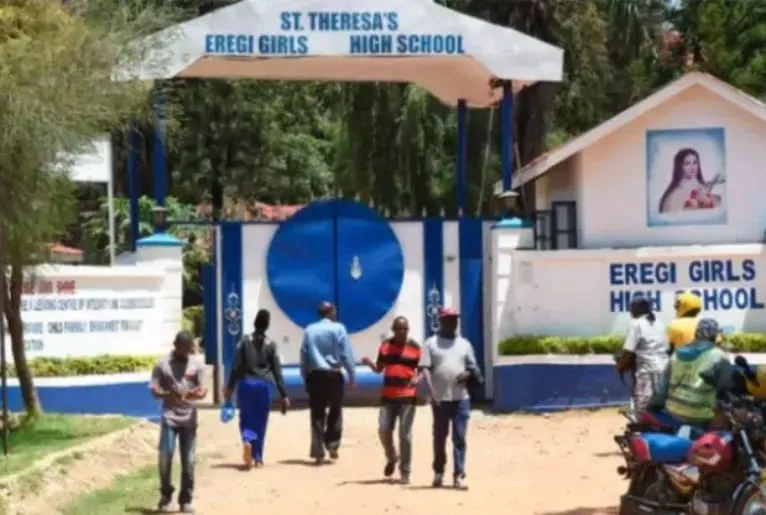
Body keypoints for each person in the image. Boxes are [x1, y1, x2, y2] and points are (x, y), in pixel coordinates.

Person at [420, 307, 483, 490]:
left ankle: (459, 475)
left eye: (455, 319)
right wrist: (432, 394)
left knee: (459, 437)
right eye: (448, 319)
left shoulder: (464, 344)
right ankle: (438, 473)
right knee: (439, 438)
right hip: (440, 400)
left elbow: (474, 368)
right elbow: (425, 370)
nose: (452, 323)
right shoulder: (431, 344)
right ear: (441, 321)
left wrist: (468, 374)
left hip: (461, 399)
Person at [150, 330, 207, 514]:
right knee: (165, 457)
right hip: (169, 417)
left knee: (189, 460)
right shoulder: (162, 365)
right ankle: (166, 496)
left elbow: (203, 390)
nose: (186, 352)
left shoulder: (197, 365)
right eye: (183, 348)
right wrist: (168, 394)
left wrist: (196, 394)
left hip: (189, 419)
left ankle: (186, 500)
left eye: (189, 349)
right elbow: (154, 390)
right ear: (175, 345)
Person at [224, 309, 290, 469]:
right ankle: (258, 457)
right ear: (267, 325)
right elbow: (277, 372)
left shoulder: (244, 341)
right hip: (263, 386)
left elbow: (235, 366)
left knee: (246, 418)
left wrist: (230, 386)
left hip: (246, 384)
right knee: (261, 421)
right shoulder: (271, 345)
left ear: (255, 323)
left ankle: (247, 440)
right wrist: (284, 395)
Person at [361, 316, 422, 485]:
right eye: (399, 329)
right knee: (383, 429)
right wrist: (369, 364)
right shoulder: (386, 346)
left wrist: (418, 378)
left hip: (408, 396)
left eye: (405, 329)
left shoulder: (415, 348)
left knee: (405, 434)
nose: (402, 332)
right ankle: (392, 456)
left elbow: (423, 369)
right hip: (388, 396)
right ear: (394, 330)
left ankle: (405, 472)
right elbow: (379, 369)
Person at [649, 318, 735, 427]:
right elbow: (727, 388)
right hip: (701, 417)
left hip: (672, 413)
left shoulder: (676, 354)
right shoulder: (718, 356)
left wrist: (653, 407)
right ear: (714, 336)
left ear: (696, 333)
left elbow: (661, 387)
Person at [300, 301, 356, 464]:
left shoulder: (309, 330)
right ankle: (332, 444)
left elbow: (304, 355)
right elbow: (346, 354)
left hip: (315, 375)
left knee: (317, 412)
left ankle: (318, 452)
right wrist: (352, 375)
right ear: (331, 312)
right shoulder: (339, 328)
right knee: (336, 410)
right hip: (334, 374)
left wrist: (305, 376)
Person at [615, 297, 669, 412]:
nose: (630, 311)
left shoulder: (636, 324)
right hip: (664, 368)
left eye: (632, 308)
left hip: (647, 371)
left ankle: (643, 426)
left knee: (643, 405)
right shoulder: (660, 323)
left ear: (639, 309)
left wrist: (620, 366)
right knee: (661, 404)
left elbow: (628, 351)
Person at [658, 148, 724, 213]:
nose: (692, 167)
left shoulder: (703, 187)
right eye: (687, 164)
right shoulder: (674, 195)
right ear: (680, 166)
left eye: (695, 163)